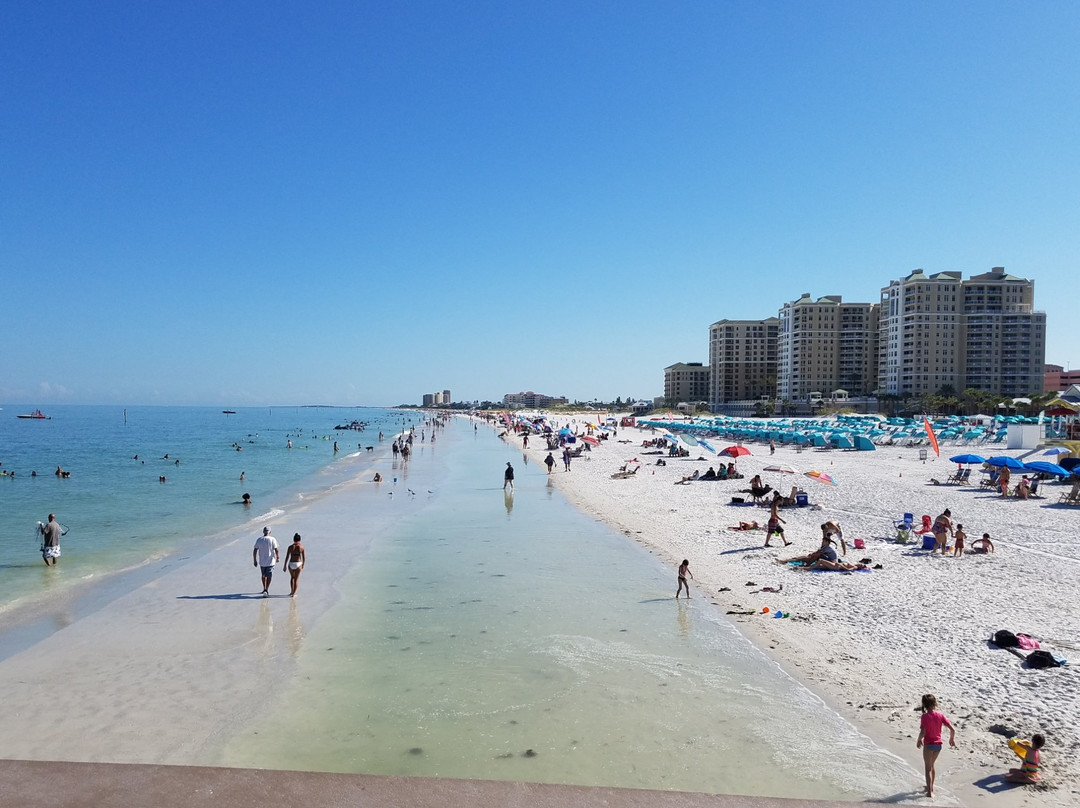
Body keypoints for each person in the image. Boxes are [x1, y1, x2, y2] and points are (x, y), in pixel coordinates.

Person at [916, 694, 956, 798]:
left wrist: (919, 739)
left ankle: (929, 793)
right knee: (932, 765)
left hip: (929, 745)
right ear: (935, 704)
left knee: (927, 768)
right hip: (938, 745)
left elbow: (923, 731)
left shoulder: (925, 717)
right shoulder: (940, 715)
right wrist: (951, 739)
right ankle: (931, 787)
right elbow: (952, 729)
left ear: (924, 705)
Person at [253, 527, 280, 597]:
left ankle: (264, 588)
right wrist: (277, 557)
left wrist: (255, 560)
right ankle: (266, 589)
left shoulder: (259, 539)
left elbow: (255, 550)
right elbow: (276, 549)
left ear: (263, 532)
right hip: (271, 561)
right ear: (270, 532)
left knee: (263, 575)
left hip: (262, 561)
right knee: (269, 576)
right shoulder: (273, 539)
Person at [283, 533, 306, 598]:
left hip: (291, 564)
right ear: (300, 539)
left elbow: (287, 557)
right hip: (298, 564)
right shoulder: (301, 547)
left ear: (293, 539)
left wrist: (284, 565)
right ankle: (294, 593)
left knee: (292, 578)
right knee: (296, 579)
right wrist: (303, 564)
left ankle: (291, 591)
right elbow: (304, 558)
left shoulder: (290, 547)